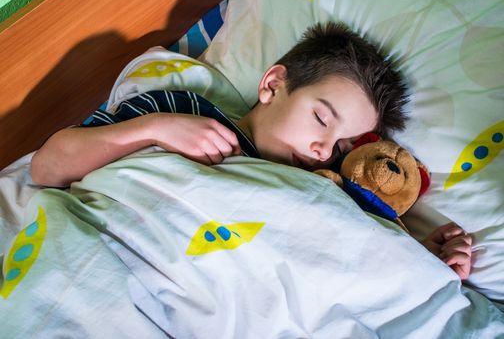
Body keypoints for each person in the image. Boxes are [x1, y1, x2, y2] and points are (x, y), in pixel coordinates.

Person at [30, 22, 472, 279]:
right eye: (321, 118)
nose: (323, 150)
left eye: (342, 145)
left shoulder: (327, 187)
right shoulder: (181, 108)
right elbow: (47, 168)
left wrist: (419, 256)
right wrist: (154, 129)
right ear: (273, 84)